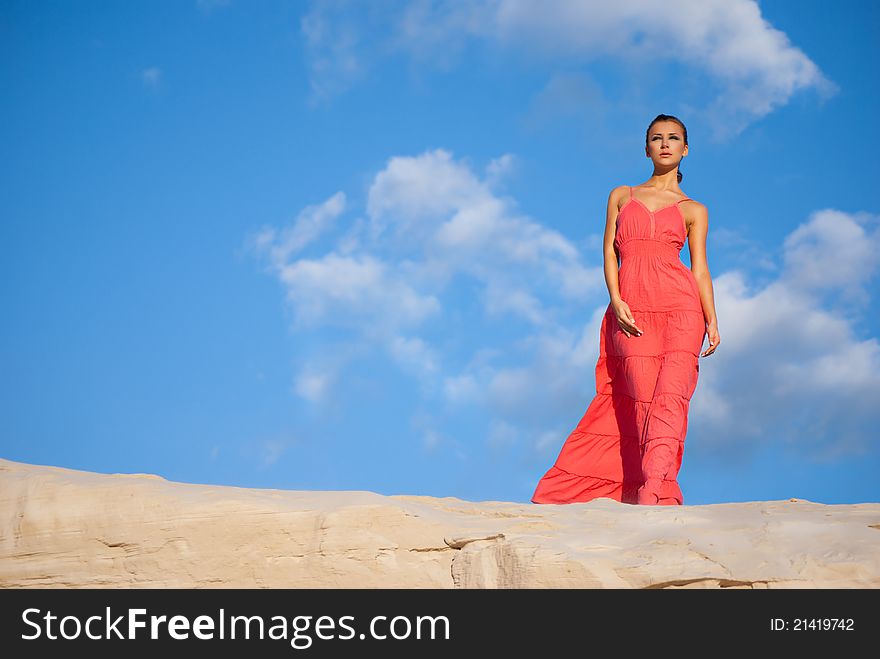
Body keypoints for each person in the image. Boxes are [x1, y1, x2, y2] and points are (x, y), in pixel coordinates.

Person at [531, 114, 720, 506]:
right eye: (656, 138)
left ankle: (655, 494)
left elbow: (700, 268)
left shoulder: (694, 209)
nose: (665, 144)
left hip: (682, 312)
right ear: (646, 147)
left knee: (670, 400)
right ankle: (634, 491)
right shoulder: (622, 195)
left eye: (673, 138)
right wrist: (616, 299)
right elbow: (608, 253)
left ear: (685, 150)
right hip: (632, 312)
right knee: (639, 402)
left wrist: (712, 320)